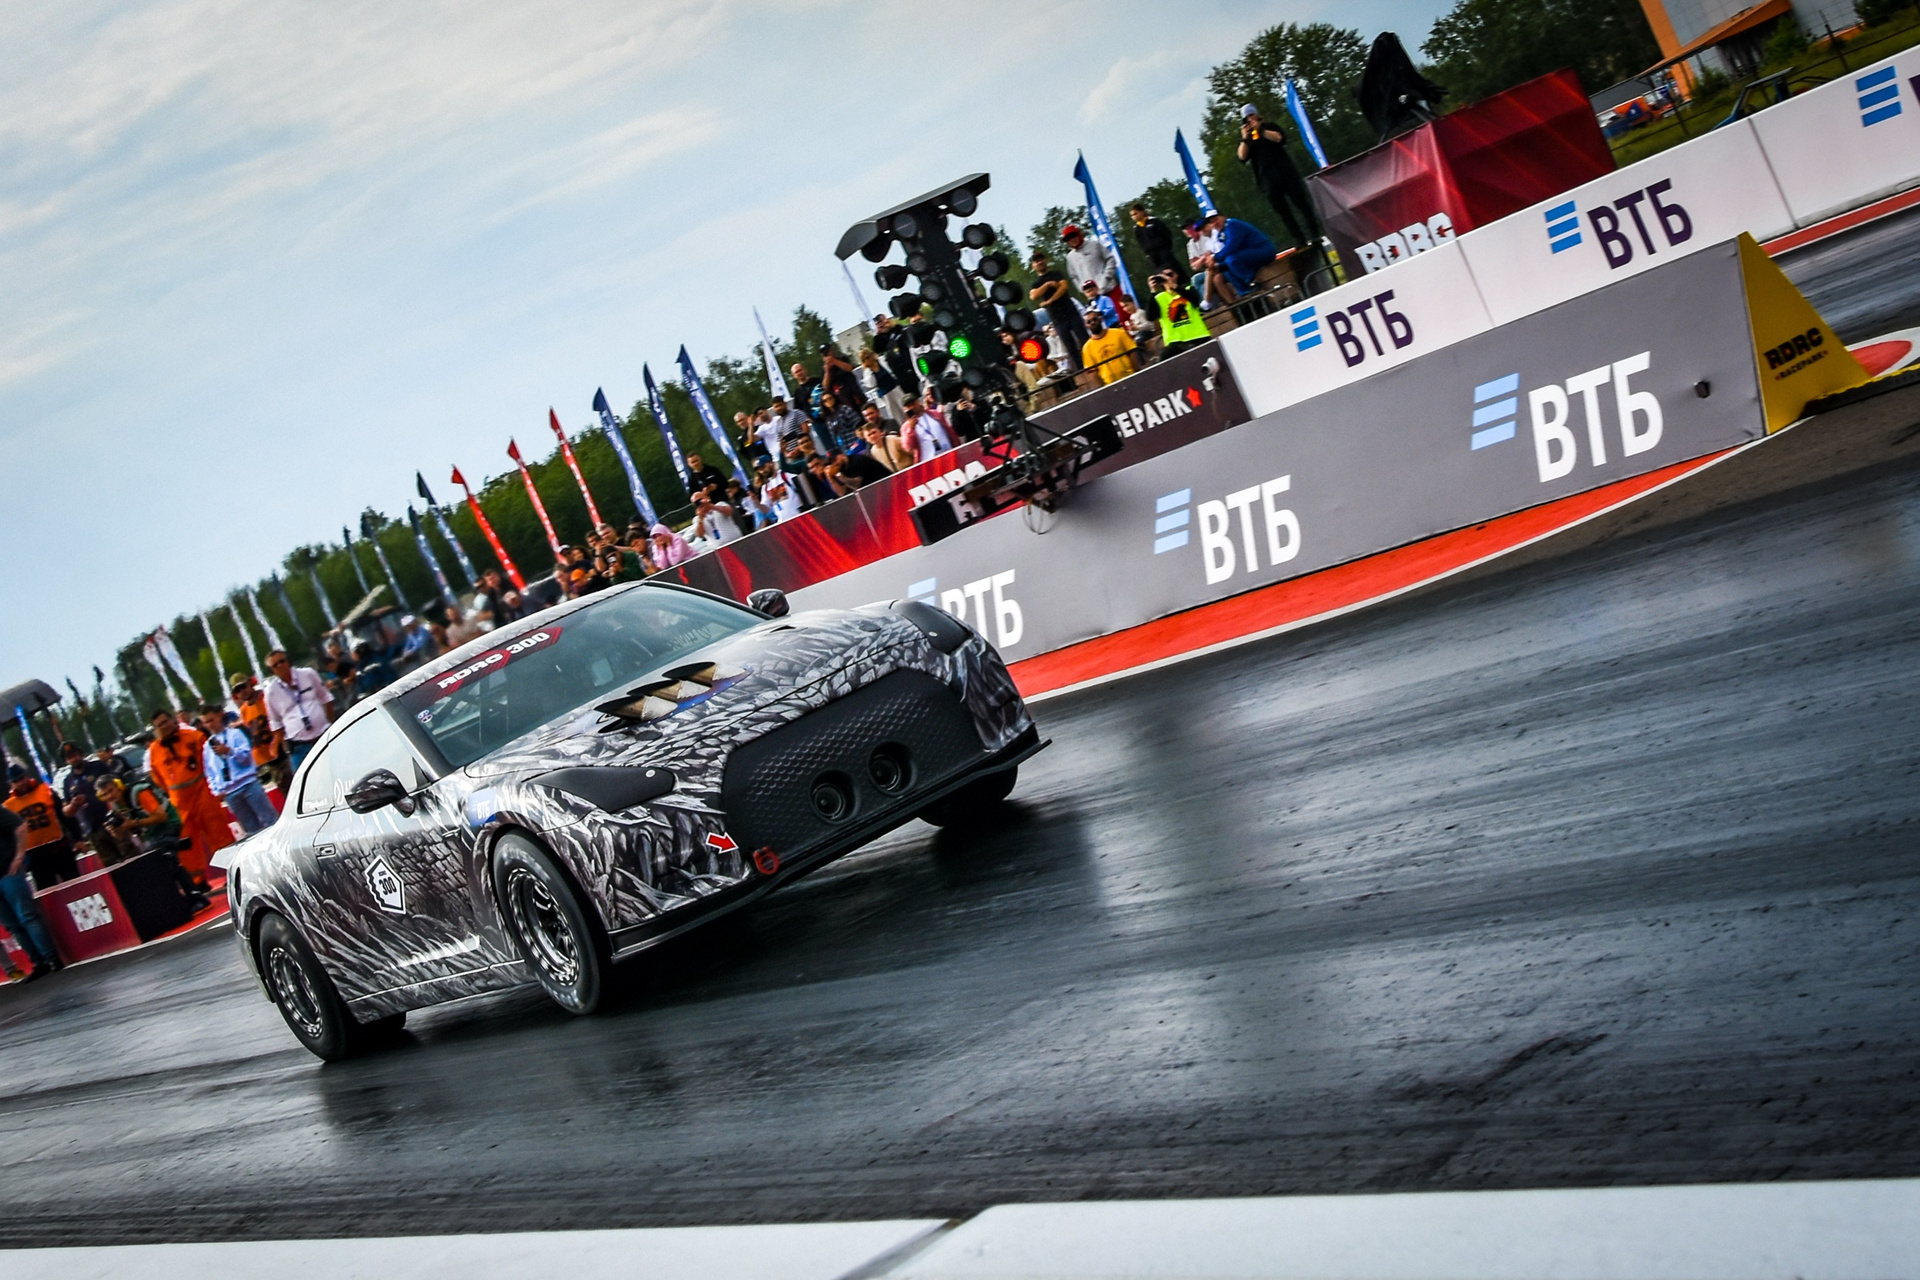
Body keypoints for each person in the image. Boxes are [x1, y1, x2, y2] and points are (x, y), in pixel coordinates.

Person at [143, 709, 231, 891]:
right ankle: (197, 882)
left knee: (218, 832)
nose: (164, 727)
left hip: (203, 791)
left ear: (173, 721)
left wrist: (216, 786)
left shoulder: (194, 737)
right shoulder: (154, 751)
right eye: (159, 725)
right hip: (179, 802)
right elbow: (158, 779)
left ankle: (233, 871)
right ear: (155, 729)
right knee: (186, 843)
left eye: (165, 722)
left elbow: (211, 762)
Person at [1236, 104, 1320, 252]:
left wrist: (1261, 130)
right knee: (1284, 212)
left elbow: (1279, 138)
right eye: (1246, 119)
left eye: (1251, 116)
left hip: (1286, 173)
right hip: (1267, 180)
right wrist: (1245, 138)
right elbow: (1242, 157)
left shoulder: (1270, 127)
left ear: (1257, 115)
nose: (1250, 120)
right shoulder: (1248, 139)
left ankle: (1314, 234)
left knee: (1302, 204)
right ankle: (1299, 239)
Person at [0, 798, 59, 979]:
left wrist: (19, 856)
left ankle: (51, 958)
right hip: (8, 871)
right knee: (12, 925)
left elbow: (20, 826)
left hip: (8, 870)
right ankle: (38, 962)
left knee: (27, 916)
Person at [199, 706, 276, 835]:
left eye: (211, 720)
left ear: (219, 716)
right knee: (251, 830)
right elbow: (210, 772)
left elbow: (246, 757)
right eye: (206, 722)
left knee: (270, 820)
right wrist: (216, 790)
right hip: (230, 793)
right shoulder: (207, 747)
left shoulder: (235, 734)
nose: (210, 725)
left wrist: (229, 751)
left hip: (248, 784)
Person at [5, 765, 78, 888]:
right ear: (11, 784)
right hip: (36, 857)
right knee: (48, 893)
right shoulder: (9, 806)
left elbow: (64, 816)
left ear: (27, 776)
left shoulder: (46, 791)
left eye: (22, 778)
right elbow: (10, 837)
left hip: (60, 848)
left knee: (76, 885)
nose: (21, 783)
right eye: (16, 781)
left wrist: (77, 838)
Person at [262, 649, 333, 773]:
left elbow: (326, 697)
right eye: (275, 665)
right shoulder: (271, 692)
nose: (280, 666)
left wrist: (331, 724)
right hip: (299, 746)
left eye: (282, 661)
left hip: (323, 736)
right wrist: (285, 745)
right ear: (271, 670)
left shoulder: (308, 674)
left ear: (289, 661)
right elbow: (275, 723)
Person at [1028, 251, 1090, 370]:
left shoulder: (1057, 274)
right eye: (1037, 261)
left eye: (1041, 259)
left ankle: (1094, 362)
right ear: (1033, 265)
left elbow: (1063, 287)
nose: (1040, 262)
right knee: (1070, 347)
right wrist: (1047, 285)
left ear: (1046, 260)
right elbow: (1034, 295)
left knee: (1084, 340)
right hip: (1057, 319)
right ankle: (1081, 370)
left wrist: (1050, 300)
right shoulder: (1036, 283)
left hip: (1071, 312)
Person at [1062, 224, 1131, 324]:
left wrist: (1106, 277)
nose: (1072, 240)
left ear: (1079, 234)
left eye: (1073, 236)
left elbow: (1110, 259)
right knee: (1104, 323)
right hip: (1094, 298)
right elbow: (1073, 276)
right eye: (1068, 239)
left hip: (1110, 289)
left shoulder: (1094, 245)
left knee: (1124, 316)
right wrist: (1083, 289)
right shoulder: (1070, 257)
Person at [1206, 212, 1278, 297]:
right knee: (1226, 268)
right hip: (1249, 257)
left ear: (1223, 217)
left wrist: (1215, 257)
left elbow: (1232, 247)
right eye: (1211, 222)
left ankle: (1253, 282)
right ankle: (1245, 293)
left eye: (1216, 219)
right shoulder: (1221, 234)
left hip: (1263, 251)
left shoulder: (1232, 224)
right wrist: (1219, 267)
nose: (1215, 223)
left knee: (1231, 259)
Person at [58, 741, 111, 850]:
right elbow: (67, 811)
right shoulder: (68, 781)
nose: (74, 759)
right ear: (66, 761)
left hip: (111, 821)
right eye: (70, 758)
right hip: (92, 830)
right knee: (108, 860)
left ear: (81, 754)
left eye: (75, 755)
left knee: (129, 855)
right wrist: (74, 804)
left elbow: (116, 785)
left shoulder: (98, 767)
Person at [1151, 271, 1214, 357]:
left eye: (1170, 275)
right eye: (1164, 277)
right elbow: (1150, 316)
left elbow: (1196, 301)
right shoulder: (1158, 298)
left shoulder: (1188, 289)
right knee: (1165, 356)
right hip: (1175, 342)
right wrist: (1153, 292)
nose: (1168, 278)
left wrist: (1176, 287)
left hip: (1198, 337)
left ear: (1176, 276)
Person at [1080, 308, 1141, 385]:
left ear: (1100, 319)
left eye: (1095, 319)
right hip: (1110, 385)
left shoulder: (1119, 333)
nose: (1093, 323)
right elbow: (1092, 372)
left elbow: (1132, 352)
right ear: (1086, 325)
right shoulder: (1087, 348)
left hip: (1130, 378)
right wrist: (1103, 389)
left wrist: (1137, 374)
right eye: (1089, 322)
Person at [1129, 203, 1181, 274]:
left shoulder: (1154, 221)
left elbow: (1166, 233)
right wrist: (1147, 252)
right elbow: (1141, 242)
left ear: (1142, 211)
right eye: (1132, 215)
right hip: (1152, 254)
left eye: (1136, 214)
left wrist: (1167, 247)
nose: (1134, 217)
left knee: (1173, 267)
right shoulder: (1137, 228)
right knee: (1160, 272)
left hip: (1163, 250)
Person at [856, 348, 905, 422]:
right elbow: (871, 384)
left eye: (869, 356)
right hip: (885, 394)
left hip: (895, 388)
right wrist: (871, 371)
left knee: (904, 406)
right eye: (866, 358)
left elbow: (891, 372)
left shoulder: (881, 361)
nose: (869, 359)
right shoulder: (867, 372)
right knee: (896, 415)